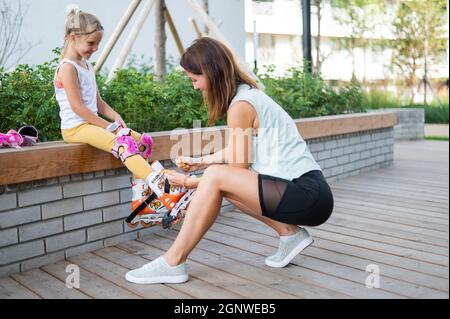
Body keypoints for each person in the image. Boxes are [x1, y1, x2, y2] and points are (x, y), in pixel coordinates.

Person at [125, 37, 334, 285]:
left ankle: (173, 261)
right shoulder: (247, 96)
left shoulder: (241, 105)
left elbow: (235, 171)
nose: (195, 87)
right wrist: (200, 161)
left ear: (211, 74)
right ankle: (290, 234)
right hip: (307, 192)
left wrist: (189, 182)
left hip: (307, 194)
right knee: (221, 184)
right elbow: (239, 150)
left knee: (217, 179)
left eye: (195, 79)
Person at [53, 7, 184, 223]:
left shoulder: (85, 65)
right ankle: (162, 188)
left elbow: (97, 102)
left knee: (141, 142)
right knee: (123, 144)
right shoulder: (67, 68)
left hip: (91, 124)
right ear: (73, 38)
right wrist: (107, 127)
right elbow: (78, 108)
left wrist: (115, 117)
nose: (94, 49)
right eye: (91, 43)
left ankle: (142, 204)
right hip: (76, 128)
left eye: (97, 44)